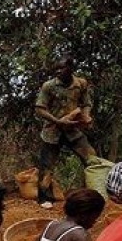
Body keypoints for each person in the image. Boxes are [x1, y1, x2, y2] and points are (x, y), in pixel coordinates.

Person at [34, 55, 98, 209]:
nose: (58, 72)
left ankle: (93, 193)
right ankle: (44, 198)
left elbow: (86, 103)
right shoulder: (48, 86)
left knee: (91, 159)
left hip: (73, 130)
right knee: (47, 166)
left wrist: (86, 115)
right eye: (56, 69)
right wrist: (57, 121)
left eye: (62, 68)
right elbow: (40, 109)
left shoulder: (80, 84)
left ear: (70, 69)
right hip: (52, 131)